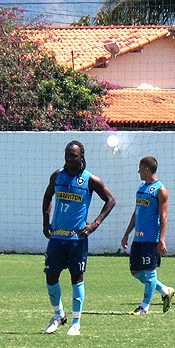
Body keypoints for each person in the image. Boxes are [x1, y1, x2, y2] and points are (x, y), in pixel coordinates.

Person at [42, 140, 116, 336]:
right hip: (57, 238)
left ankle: (76, 322)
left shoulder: (90, 180)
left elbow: (111, 200)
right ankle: (58, 315)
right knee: (51, 277)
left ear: (81, 156)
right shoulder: (57, 176)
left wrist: (95, 224)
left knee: (77, 279)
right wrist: (45, 221)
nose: (69, 158)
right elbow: (48, 196)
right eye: (67, 154)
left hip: (77, 240)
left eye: (73, 155)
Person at [121, 156, 175, 315]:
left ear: (146, 169)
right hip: (138, 238)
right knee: (135, 272)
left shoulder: (160, 190)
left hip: (151, 238)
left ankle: (144, 306)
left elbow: (164, 216)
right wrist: (126, 234)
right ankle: (165, 290)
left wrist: (161, 240)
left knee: (150, 272)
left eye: (140, 168)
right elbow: (136, 212)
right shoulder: (141, 188)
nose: (138, 171)